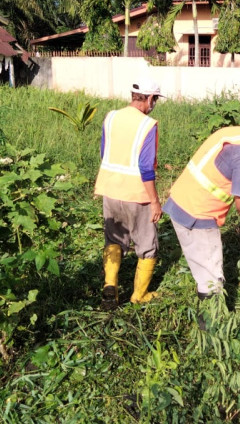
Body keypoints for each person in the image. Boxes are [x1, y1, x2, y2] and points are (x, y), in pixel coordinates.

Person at [163, 110, 240, 304]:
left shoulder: (233, 132)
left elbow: (227, 168)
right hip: (198, 215)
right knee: (211, 282)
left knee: (202, 268)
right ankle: (210, 319)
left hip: (179, 202)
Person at [95, 79, 165, 310]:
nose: (154, 104)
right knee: (147, 245)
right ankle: (139, 295)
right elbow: (146, 167)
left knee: (114, 240)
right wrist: (155, 201)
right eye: (155, 100)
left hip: (110, 189)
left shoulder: (111, 117)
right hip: (137, 193)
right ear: (150, 98)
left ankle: (110, 287)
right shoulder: (148, 125)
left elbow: (104, 152)